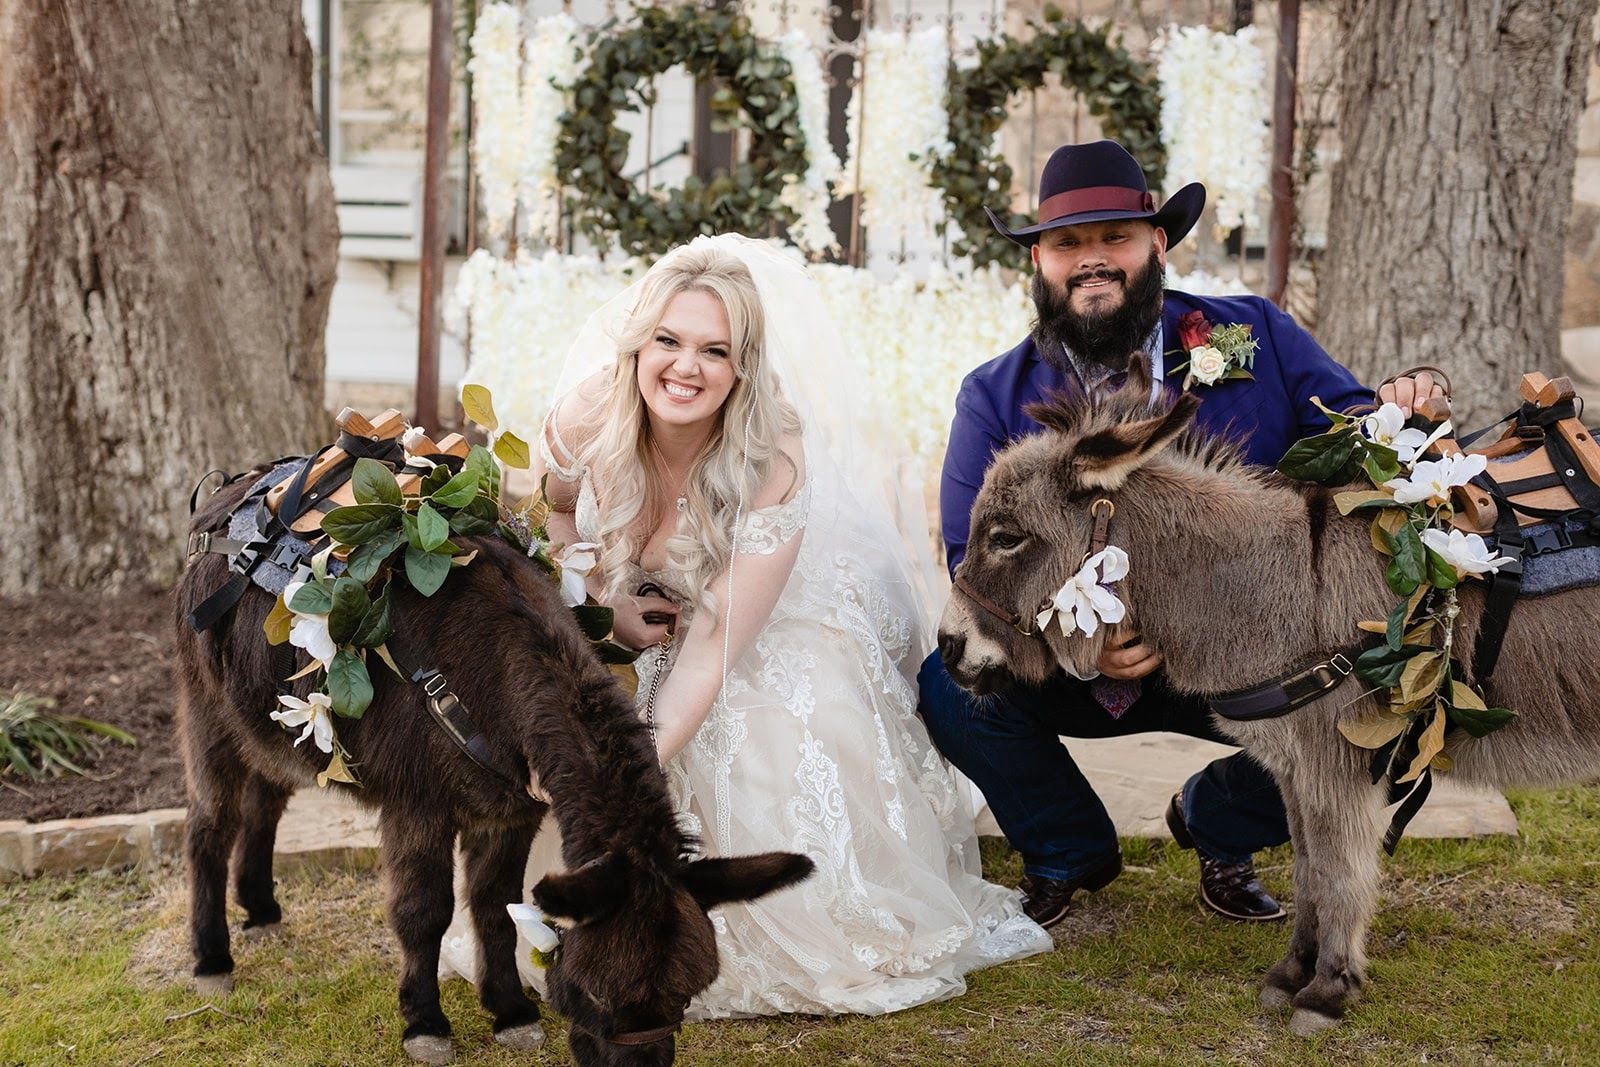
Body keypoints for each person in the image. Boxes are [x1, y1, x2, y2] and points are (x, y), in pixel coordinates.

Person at [440, 235, 1051, 1017]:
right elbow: (550, 508)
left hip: (756, 618)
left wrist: (610, 769)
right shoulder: (592, 407)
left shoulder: (773, 457)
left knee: (783, 717)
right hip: (641, 605)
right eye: (667, 341)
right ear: (637, 345)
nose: (685, 367)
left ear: (742, 367)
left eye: (713, 350)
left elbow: (713, 649)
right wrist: (599, 596)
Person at [917, 139, 1444, 928]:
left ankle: (1218, 821)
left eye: (1114, 239)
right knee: (949, 690)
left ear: (1157, 243)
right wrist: (1080, 635)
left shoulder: (1252, 336)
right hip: (1074, 668)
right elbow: (970, 552)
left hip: (1253, 657)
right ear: (1039, 261)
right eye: (1068, 244)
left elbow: (1358, 438)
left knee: (1389, 710)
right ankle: (1069, 848)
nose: (1092, 260)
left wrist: (1410, 402)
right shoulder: (993, 395)